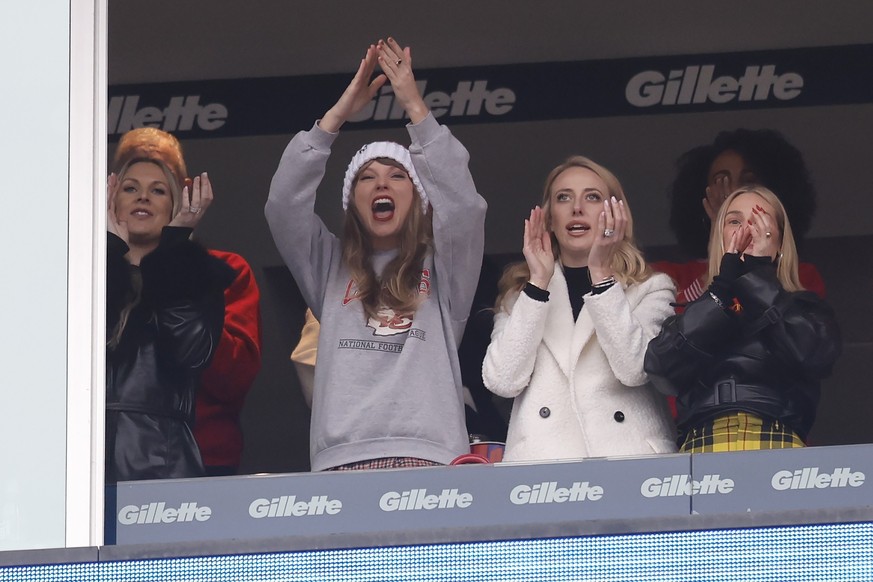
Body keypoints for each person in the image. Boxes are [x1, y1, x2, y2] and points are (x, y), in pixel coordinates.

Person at [265, 38, 487, 472]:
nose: (382, 184)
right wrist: (336, 118)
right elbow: (283, 207)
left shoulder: (444, 268)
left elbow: (463, 208)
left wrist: (416, 109)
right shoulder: (329, 267)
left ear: (422, 200)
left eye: (397, 176)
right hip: (343, 460)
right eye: (367, 177)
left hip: (430, 456)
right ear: (352, 201)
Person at [482, 156, 677, 462]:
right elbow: (502, 381)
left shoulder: (651, 288)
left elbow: (634, 370)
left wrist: (601, 275)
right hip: (542, 473)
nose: (576, 208)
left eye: (592, 197)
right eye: (563, 198)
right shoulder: (521, 293)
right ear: (549, 218)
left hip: (630, 464)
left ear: (616, 214)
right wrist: (537, 283)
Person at [645, 186, 841, 452]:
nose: (748, 231)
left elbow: (813, 355)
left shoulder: (804, 307)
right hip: (702, 445)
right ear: (719, 237)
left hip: (778, 442)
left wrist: (759, 274)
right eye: (735, 221)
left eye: (760, 221)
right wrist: (721, 288)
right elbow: (661, 370)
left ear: (780, 241)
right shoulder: (697, 308)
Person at [113, 128, 262, 476]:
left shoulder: (220, 271)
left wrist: (177, 266)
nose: (143, 196)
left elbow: (230, 377)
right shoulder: (83, 271)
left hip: (198, 455)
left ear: (181, 192)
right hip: (93, 456)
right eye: (130, 184)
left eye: (160, 183)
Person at [652, 128, 825, 305]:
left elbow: (794, 328)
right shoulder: (670, 276)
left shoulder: (803, 276)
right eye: (721, 182)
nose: (735, 191)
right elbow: (681, 327)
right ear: (700, 196)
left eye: (748, 181)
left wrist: (761, 267)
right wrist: (718, 258)